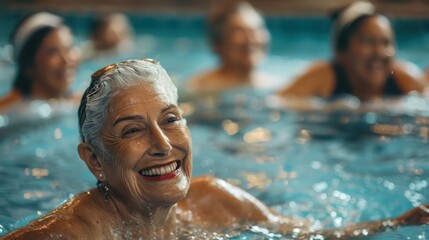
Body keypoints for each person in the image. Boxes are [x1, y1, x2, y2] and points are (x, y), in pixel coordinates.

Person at [2, 59, 428, 239]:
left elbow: (303, 233)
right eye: (133, 131)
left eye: (171, 120)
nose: (163, 145)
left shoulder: (216, 202)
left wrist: (395, 223)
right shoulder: (66, 235)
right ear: (94, 159)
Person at [278, 1, 427, 101]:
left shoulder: (404, 79)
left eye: (386, 43)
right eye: (369, 41)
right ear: (342, 51)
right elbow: (278, 103)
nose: (380, 53)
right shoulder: (324, 76)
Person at [187, 0, 274, 94]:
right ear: (217, 43)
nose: (251, 39)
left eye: (256, 30)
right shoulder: (198, 88)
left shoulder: (274, 86)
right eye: (239, 31)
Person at [0, 12, 79, 111]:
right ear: (28, 65)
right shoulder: (12, 111)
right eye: (53, 52)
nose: (66, 60)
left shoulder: (84, 103)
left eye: (69, 48)